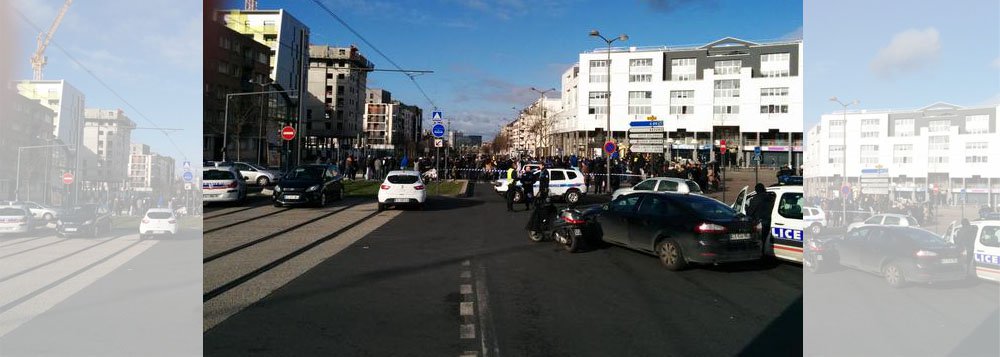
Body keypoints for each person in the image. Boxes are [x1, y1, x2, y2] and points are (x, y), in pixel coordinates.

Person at [746, 183, 774, 248]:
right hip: (770, 222)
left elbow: (750, 212)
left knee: (761, 242)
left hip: (760, 223)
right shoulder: (770, 197)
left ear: (756, 190)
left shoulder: (755, 199)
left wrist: (746, 208)